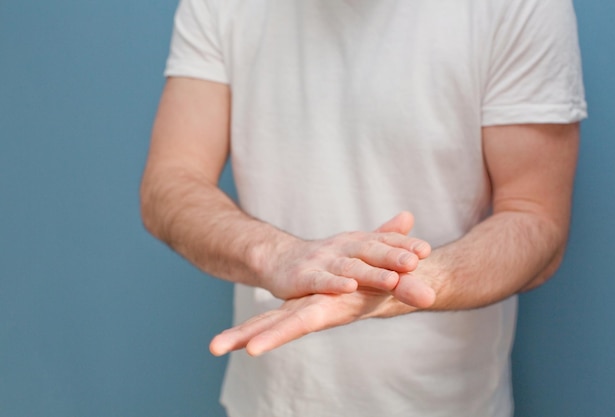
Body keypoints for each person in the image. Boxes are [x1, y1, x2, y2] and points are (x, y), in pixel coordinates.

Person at [140, 0, 587, 416]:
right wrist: (275, 255)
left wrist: (402, 281)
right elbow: (171, 181)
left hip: (446, 402)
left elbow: (534, 216)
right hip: (269, 398)